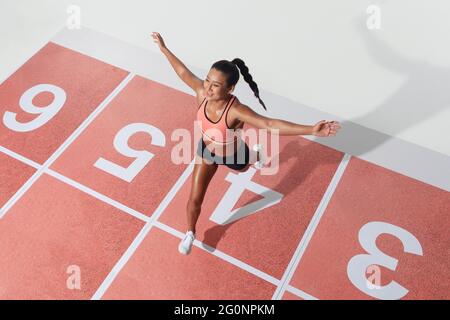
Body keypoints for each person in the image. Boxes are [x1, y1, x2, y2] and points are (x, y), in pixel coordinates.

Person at [151, 32, 341, 255]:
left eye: (216, 85)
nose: (209, 88)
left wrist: (310, 129)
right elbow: (182, 71)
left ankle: (255, 156)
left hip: (234, 155)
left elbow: (269, 124)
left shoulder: (236, 111)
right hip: (206, 152)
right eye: (207, 81)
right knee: (194, 198)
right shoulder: (202, 93)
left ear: (230, 89)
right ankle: (190, 233)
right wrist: (164, 48)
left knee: (245, 167)